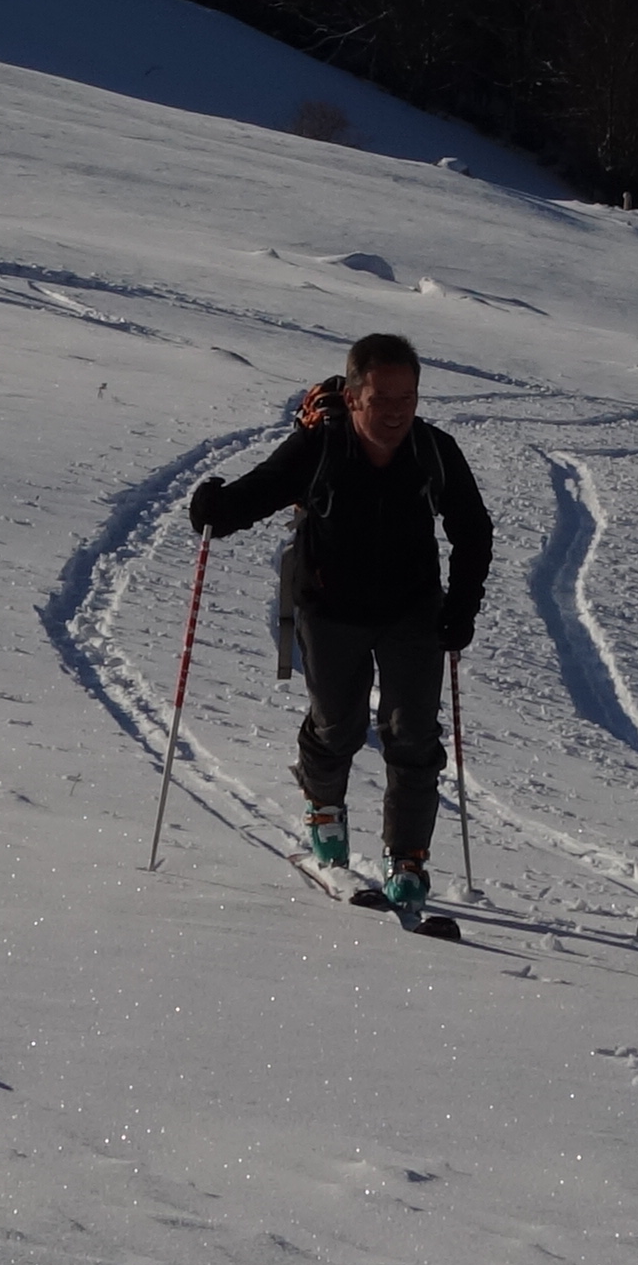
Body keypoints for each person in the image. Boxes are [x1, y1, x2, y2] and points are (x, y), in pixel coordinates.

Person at [189, 330, 493, 909]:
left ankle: (407, 858)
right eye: (383, 399)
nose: (397, 412)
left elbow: (473, 530)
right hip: (330, 610)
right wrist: (213, 510)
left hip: (412, 610)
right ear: (353, 397)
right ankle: (325, 808)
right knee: (337, 726)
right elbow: (258, 494)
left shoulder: (434, 451)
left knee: (414, 736)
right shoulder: (319, 448)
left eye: (408, 398)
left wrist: (461, 606)